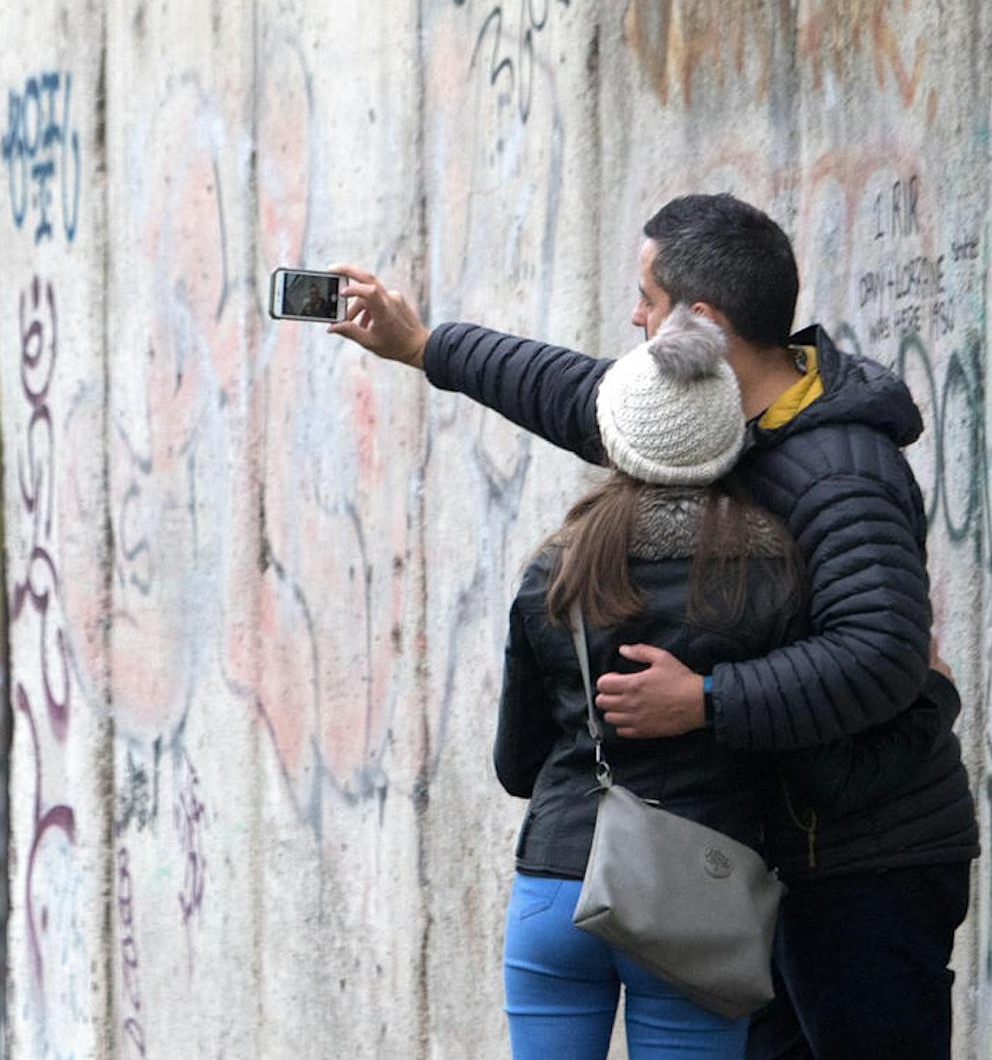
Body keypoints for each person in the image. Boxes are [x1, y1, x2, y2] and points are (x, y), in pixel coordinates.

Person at [331, 192, 978, 1060]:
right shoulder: (709, 420)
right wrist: (421, 346)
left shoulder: (838, 467)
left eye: (646, 295)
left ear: (700, 319)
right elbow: (576, 393)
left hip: (866, 861)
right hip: (767, 855)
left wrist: (705, 698)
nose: (633, 317)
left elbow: (882, 656)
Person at [496, 310, 800, 1057]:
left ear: (616, 435)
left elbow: (514, 764)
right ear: (731, 435)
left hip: (561, 886)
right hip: (702, 893)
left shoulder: (557, 572)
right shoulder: (775, 574)